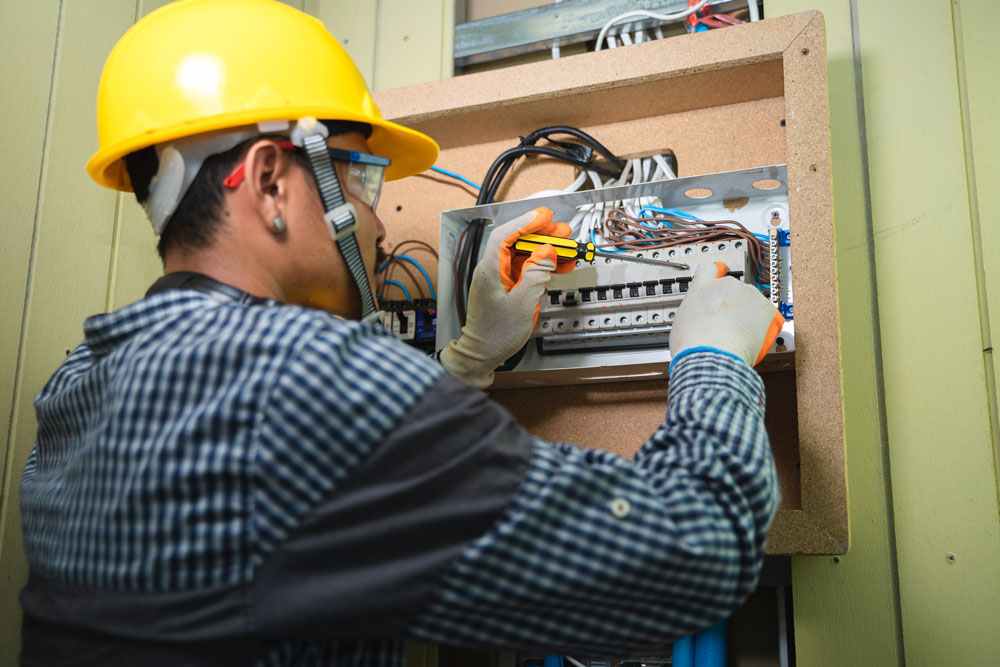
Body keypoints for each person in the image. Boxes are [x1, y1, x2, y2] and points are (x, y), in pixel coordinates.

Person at [18, 0, 782, 665]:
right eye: (360, 180)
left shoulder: (77, 385)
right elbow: (691, 555)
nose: (378, 222)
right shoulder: (307, 379)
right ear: (270, 182)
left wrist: (473, 352)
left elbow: (300, 500)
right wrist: (713, 358)